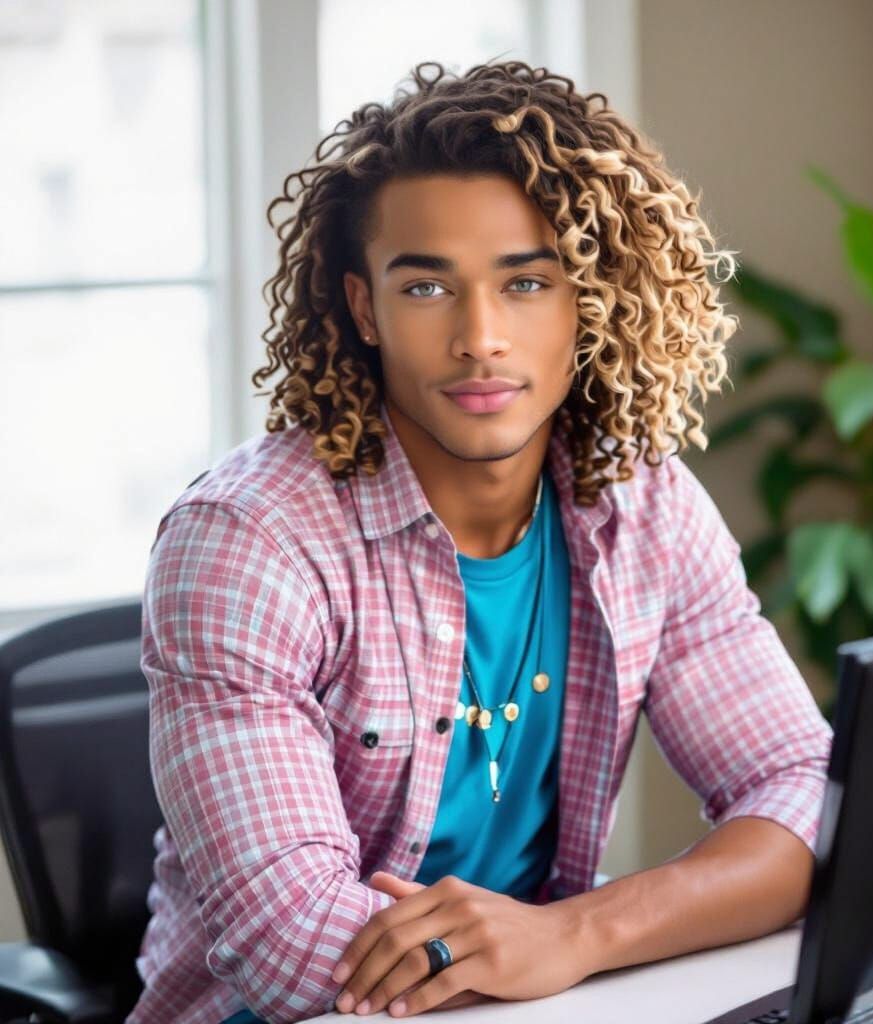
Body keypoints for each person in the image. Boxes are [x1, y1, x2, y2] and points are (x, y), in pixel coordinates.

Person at [126, 59, 833, 1024]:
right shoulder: (249, 543)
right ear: (365, 308)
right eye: (427, 289)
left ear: (589, 300)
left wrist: (576, 934)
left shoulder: (642, 504)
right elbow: (296, 951)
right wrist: (558, 947)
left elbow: (800, 795)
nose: (481, 338)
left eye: (527, 281)